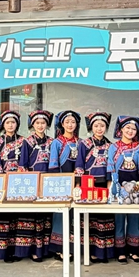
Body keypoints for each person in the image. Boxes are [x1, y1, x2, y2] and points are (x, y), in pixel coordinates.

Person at [0, 110, 28, 262]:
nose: (10, 125)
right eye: (7, 122)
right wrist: (1, 181)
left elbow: (24, 162)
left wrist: (21, 176)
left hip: (19, 182)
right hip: (4, 182)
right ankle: (3, 251)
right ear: (3, 125)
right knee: (4, 216)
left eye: (13, 122)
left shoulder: (24, 141)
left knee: (18, 216)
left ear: (17, 124)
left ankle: (17, 250)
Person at [77, 112, 115, 263]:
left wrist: (110, 186)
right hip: (88, 184)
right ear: (91, 127)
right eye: (96, 126)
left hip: (104, 184)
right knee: (89, 219)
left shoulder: (110, 145)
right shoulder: (84, 144)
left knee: (104, 219)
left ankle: (103, 253)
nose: (99, 129)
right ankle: (89, 251)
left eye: (102, 126)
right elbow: (79, 165)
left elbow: (111, 168)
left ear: (106, 128)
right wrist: (79, 186)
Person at [107, 116, 139, 264]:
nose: (130, 131)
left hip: (135, 187)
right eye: (127, 128)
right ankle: (120, 251)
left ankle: (134, 251)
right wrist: (111, 189)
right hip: (118, 187)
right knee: (119, 219)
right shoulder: (114, 147)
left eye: (133, 129)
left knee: (134, 219)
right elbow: (110, 167)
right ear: (121, 129)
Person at [21, 110, 54, 262]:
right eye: (37, 123)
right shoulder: (27, 142)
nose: (40, 126)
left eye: (43, 123)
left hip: (48, 183)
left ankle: (45, 250)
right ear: (32, 124)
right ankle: (32, 250)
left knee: (46, 217)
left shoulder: (52, 142)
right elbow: (23, 165)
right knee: (32, 217)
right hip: (32, 183)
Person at [48, 110, 81, 261]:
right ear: (62, 124)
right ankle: (60, 248)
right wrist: (58, 183)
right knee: (60, 215)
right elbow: (53, 164)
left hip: (77, 183)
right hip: (61, 183)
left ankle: (73, 247)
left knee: (75, 216)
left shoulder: (80, 142)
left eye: (73, 122)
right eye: (67, 122)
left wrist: (79, 183)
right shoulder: (57, 142)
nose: (70, 125)